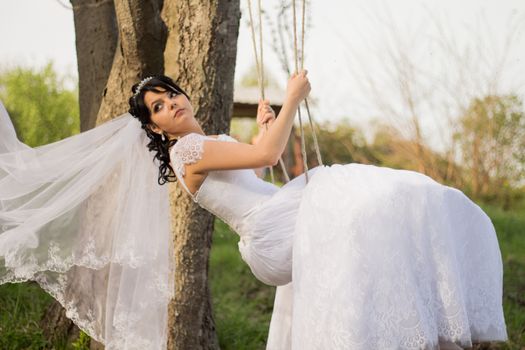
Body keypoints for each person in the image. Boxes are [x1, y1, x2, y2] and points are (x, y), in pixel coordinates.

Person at [0, 72, 507, 350]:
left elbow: (258, 171)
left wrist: (266, 124)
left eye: (169, 94)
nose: (169, 104)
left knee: (387, 212)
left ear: (184, 94)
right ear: (155, 128)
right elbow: (268, 157)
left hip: (274, 221)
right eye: (156, 107)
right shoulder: (186, 153)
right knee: (371, 195)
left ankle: (426, 321)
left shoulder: (208, 142)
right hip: (270, 230)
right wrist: (290, 100)